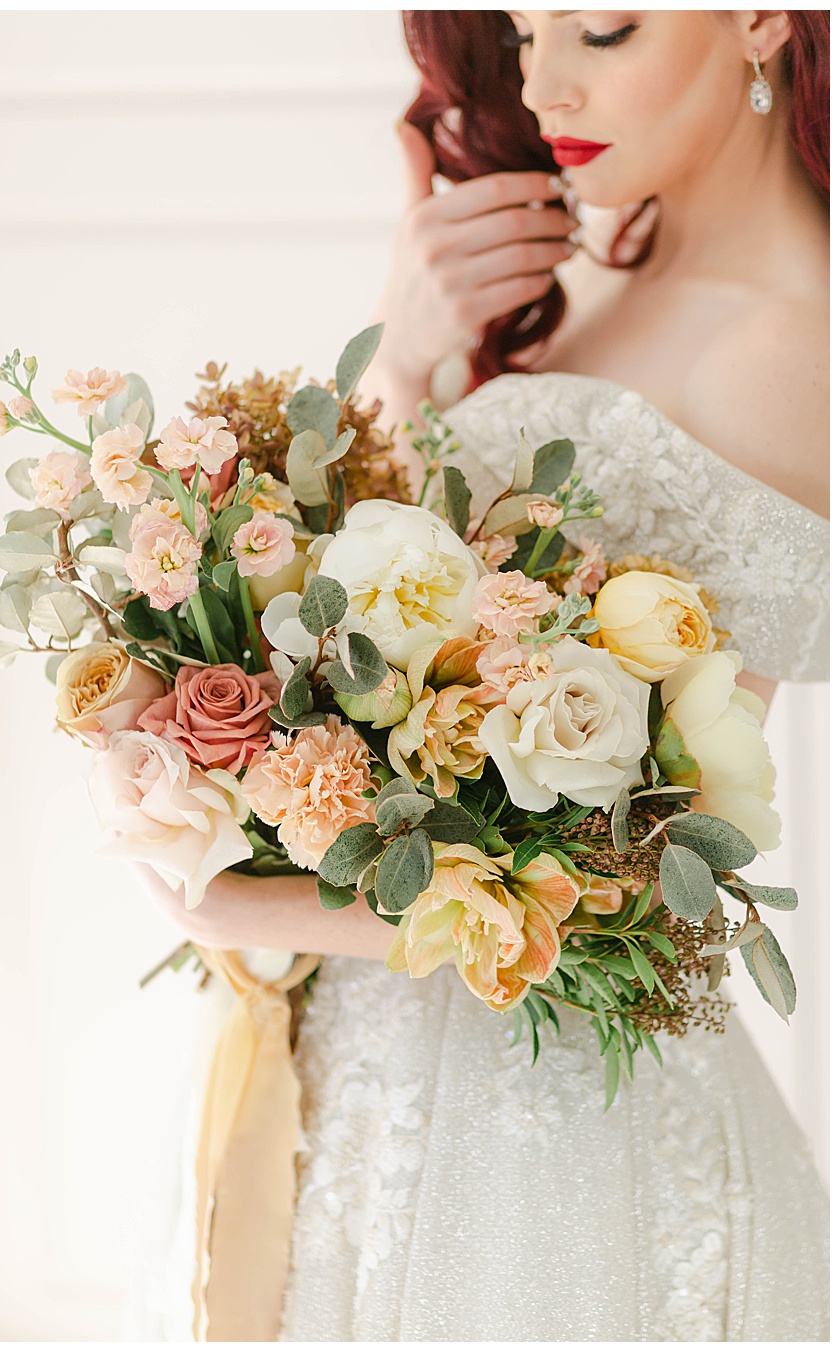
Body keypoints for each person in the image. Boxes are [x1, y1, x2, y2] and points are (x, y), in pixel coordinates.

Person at [145, 11, 828, 1339]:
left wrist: (239, 905)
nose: (546, 80)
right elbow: (370, 605)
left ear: (764, 17)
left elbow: (644, 880)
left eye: (605, 26)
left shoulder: (795, 353)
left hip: (553, 1130)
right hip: (383, 1052)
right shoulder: (588, 259)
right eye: (521, 30)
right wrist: (408, 355)